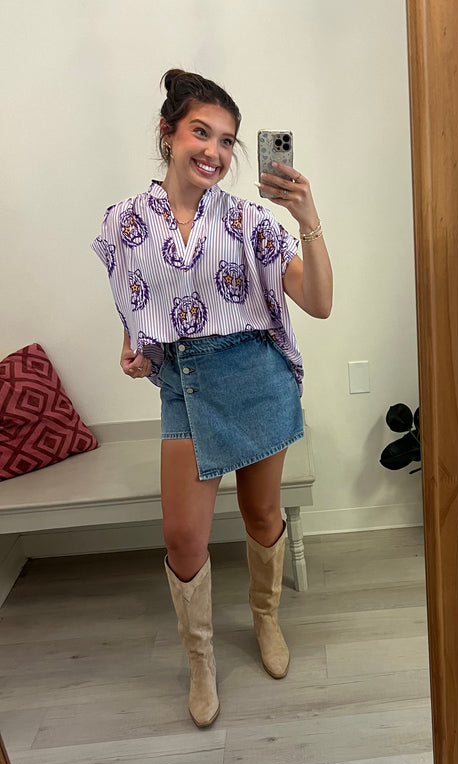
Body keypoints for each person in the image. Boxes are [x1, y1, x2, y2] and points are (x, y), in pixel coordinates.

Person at [92, 69, 332, 728]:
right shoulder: (122, 223)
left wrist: (307, 218)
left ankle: (265, 618)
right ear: (167, 133)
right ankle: (201, 661)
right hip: (186, 382)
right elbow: (133, 296)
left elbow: (319, 303)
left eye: (227, 141)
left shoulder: (252, 220)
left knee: (262, 514)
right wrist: (133, 343)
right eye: (202, 132)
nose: (216, 152)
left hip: (256, 374)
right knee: (182, 538)